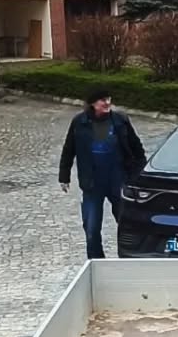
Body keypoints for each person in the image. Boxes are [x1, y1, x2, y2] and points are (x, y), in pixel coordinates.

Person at [59, 87, 147, 260]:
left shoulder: (120, 120)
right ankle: (96, 262)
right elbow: (69, 149)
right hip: (92, 182)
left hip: (118, 178)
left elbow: (137, 148)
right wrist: (64, 176)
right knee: (91, 227)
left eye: (108, 99)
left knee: (126, 224)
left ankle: (130, 258)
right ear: (93, 104)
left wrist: (139, 173)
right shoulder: (79, 122)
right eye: (102, 100)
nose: (107, 103)